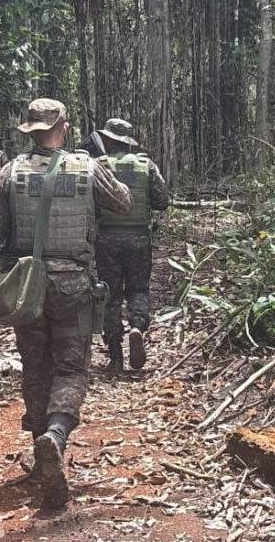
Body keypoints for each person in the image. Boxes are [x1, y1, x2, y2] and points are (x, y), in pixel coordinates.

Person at [0, 98, 132, 509]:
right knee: (71, 367)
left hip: (28, 287)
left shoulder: (9, 173)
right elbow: (124, 203)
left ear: (29, 130)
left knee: (35, 367)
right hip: (73, 283)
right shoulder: (87, 167)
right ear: (63, 127)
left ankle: (40, 451)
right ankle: (56, 437)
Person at [93, 118, 171, 373]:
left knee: (110, 295)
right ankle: (137, 326)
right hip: (138, 239)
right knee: (138, 289)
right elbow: (162, 201)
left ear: (108, 140)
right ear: (128, 143)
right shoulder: (145, 165)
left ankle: (115, 356)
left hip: (107, 239)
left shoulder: (98, 167)